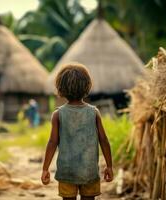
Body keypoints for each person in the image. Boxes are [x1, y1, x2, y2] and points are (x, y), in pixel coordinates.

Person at [41, 63, 113, 200]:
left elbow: (52, 142)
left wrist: (45, 168)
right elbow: (104, 140)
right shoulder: (94, 112)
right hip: (89, 172)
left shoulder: (58, 114)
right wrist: (109, 166)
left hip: (67, 173)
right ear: (87, 86)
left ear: (60, 88)